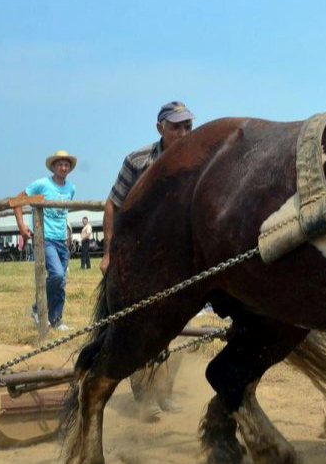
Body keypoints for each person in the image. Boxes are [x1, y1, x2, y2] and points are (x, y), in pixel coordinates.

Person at [105, 101, 194, 421]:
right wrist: (108, 254)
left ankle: (166, 391)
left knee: (180, 325)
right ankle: (145, 397)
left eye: (187, 126)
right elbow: (113, 205)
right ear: (160, 128)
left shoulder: (200, 159)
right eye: (176, 127)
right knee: (140, 324)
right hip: (140, 255)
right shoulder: (137, 160)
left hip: (179, 256)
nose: (183, 133)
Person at [14, 150, 78, 332]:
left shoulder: (71, 188)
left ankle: (56, 318)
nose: (63, 167)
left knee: (61, 280)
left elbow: (63, 214)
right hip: (45, 238)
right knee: (57, 274)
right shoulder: (41, 184)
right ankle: (37, 309)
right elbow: (17, 200)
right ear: (53, 166)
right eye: (60, 164)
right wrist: (21, 226)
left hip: (61, 239)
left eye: (66, 165)